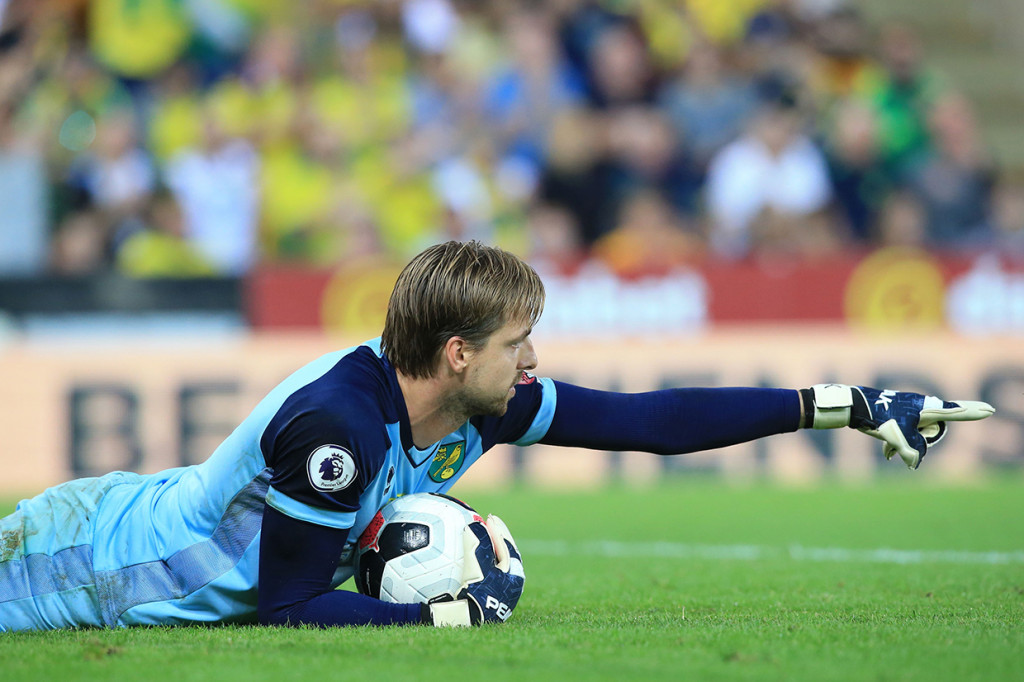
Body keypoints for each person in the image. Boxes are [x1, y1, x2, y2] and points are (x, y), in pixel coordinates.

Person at [0, 241, 994, 631]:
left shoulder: (486, 399)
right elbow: (282, 606)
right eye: (519, 341)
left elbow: (648, 421)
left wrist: (848, 403)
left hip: (118, 536)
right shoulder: (336, 430)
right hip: (80, 565)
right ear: (456, 347)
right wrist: (447, 619)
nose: (534, 360)